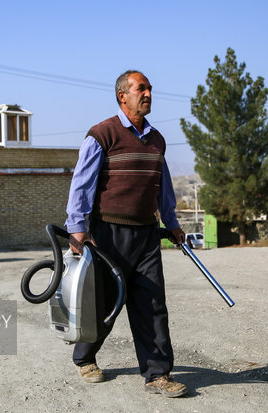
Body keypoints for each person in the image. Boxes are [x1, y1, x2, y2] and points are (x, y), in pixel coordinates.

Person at [65, 70, 187, 398]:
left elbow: (162, 188)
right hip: (108, 233)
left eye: (149, 89)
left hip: (146, 234)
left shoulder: (156, 140)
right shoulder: (102, 134)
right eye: (141, 88)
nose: (148, 93)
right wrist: (77, 229)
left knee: (151, 303)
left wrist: (172, 223)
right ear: (123, 96)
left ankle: (157, 374)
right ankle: (85, 357)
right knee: (105, 300)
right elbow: (82, 184)